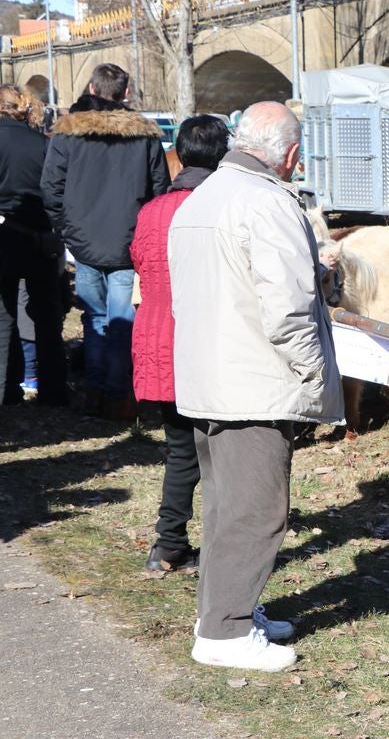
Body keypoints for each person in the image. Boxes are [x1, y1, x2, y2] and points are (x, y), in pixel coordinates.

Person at [169, 101, 343, 672]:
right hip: (255, 379)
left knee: (224, 504)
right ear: (290, 155)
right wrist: (314, 373)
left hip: (209, 373)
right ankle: (225, 633)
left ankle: (225, 610)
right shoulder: (268, 202)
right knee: (257, 508)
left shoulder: (202, 196)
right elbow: (287, 309)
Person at [41, 63, 170, 420]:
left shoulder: (69, 134)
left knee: (97, 319)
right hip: (127, 241)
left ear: (93, 90)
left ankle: (95, 392)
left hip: (84, 241)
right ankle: (116, 395)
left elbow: (50, 188)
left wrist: (66, 229)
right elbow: (159, 189)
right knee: (121, 322)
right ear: (125, 94)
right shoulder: (144, 135)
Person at [130, 115, 230, 572]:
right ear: (222, 154)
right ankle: (223, 548)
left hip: (156, 338)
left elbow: (139, 262)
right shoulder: (217, 206)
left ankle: (169, 542)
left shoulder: (151, 210)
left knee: (180, 447)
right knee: (222, 451)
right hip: (202, 340)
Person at [0, 84, 67, 408]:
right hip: (40, 237)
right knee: (47, 316)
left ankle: (6, 389)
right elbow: (55, 193)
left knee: (4, 317)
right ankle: (54, 389)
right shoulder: (43, 144)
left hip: (3, 235)